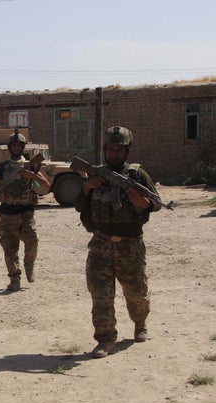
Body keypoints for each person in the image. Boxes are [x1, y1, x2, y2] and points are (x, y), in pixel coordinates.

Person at [74, 125, 161, 358]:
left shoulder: (137, 175)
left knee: (136, 292)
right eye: (110, 149)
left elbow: (155, 202)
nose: (114, 154)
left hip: (130, 244)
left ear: (127, 151)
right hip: (101, 242)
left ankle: (140, 322)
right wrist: (86, 187)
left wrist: (143, 204)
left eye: (119, 150)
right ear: (105, 150)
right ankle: (105, 339)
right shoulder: (96, 173)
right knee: (100, 294)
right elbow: (79, 207)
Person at [0, 129, 50, 292]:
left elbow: (45, 185)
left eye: (19, 145)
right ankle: (14, 278)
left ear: (23, 147)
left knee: (32, 240)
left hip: (26, 212)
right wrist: (0, 195)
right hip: (7, 213)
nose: (16, 148)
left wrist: (31, 175)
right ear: (10, 147)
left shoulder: (30, 165)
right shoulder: (3, 167)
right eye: (14, 145)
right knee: (9, 247)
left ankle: (29, 265)